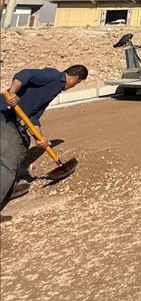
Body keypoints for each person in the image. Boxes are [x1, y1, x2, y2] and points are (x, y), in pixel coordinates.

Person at [2, 64, 88, 209]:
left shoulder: (54, 90)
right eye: (77, 83)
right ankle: (4, 188)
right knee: (9, 155)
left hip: (14, 120)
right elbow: (25, 74)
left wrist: (39, 138)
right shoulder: (53, 76)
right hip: (4, 115)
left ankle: (7, 187)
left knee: (23, 145)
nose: (74, 86)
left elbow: (34, 117)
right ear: (75, 79)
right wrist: (13, 92)